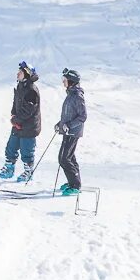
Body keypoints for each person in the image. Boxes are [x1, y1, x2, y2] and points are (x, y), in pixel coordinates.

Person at [0, 61, 41, 181]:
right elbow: (16, 103)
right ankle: (9, 168)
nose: (17, 74)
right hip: (18, 124)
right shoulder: (20, 87)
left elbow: (28, 111)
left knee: (26, 150)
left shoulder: (31, 90)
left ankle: (28, 172)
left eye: (20, 72)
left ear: (26, 75)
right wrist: (13, 114)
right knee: (11, 147)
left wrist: (16, 119)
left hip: (28, 127)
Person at [54, 68, 87, 196]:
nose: (63, 82)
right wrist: (60, 124)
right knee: (69, 157)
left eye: (65, 80)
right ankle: (73, 182)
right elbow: (69, 115)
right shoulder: (71, 94)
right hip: (68, 131)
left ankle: (75, 185)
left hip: (73, 132)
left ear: (71, 81)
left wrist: (69, 126)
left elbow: (82, 116)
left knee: (64, 158)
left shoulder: (77, 95)